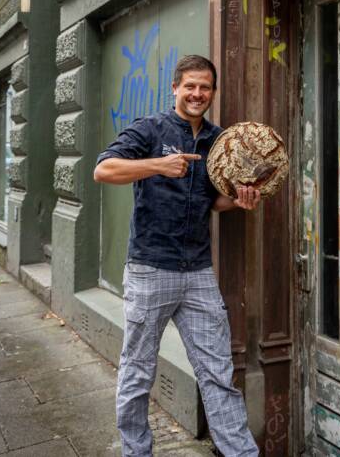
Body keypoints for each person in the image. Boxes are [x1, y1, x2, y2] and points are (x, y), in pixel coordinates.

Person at [94, 54, 261, 457]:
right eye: (190, 86)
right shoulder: (150, 128)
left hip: (198, 272)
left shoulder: (219, 140)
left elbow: (214, 203)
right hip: (150, 269)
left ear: (213, 92)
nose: (197, 94)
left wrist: (240, 201)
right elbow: (104, 170)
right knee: (137, 373)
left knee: (218, 373)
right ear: (175, 89)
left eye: (205, 87)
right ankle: (137, 452)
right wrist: (158, 165)